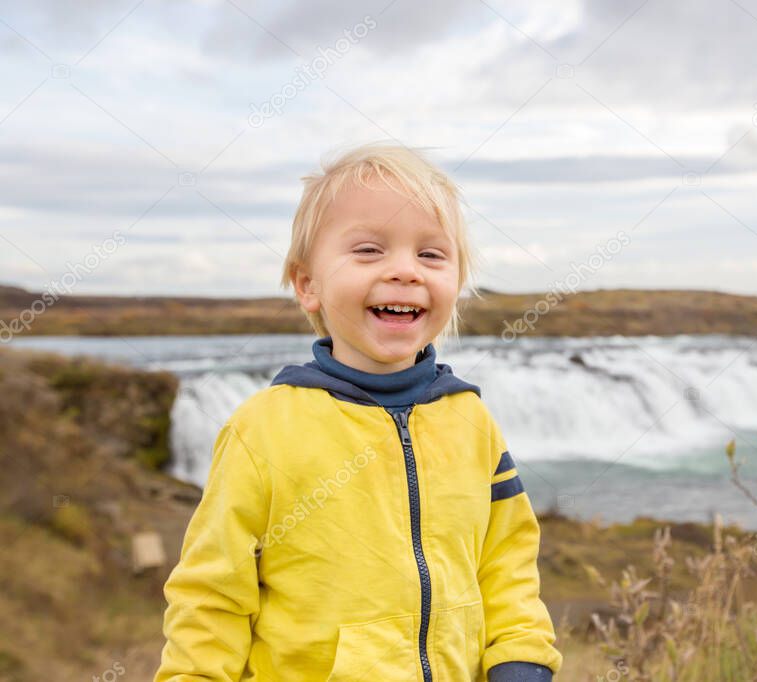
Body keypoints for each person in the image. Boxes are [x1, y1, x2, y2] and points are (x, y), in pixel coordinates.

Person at [153, 143, 562, 681]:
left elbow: (507, 563)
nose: (405, 271)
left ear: (457, 283)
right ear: (307, 285)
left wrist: (522, 660)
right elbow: (211, 595)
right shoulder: (264, 430)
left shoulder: (470, 418)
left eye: (432, 255)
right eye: (369, 250)